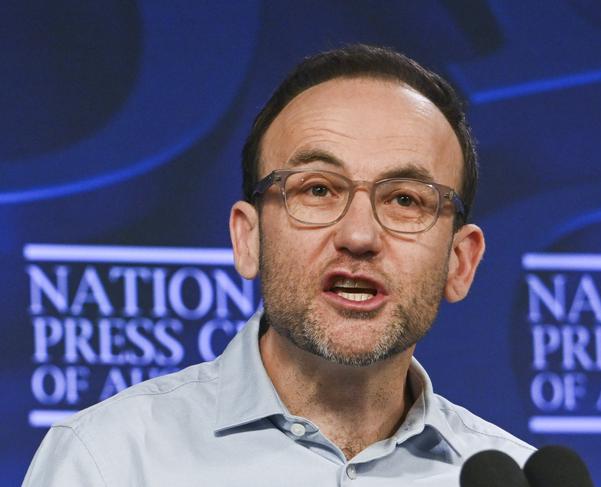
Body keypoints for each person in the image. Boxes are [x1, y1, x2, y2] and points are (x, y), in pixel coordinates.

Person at [23, 44, 534, 486]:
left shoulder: (515, 477)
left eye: (405, 199)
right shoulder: (109, 461)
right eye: (317, 190)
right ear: (248, 238)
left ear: (460, 261)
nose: (359, 236)